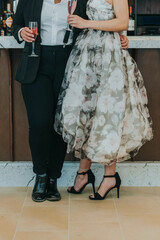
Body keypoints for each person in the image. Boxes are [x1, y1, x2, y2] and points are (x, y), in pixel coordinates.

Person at [11, 0, 129, 202]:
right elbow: (15, 25)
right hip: (35, 62)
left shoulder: (79, 0)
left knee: (61, 125)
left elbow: (100, 23)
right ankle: (40, 176)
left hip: (70, 64)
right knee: (39, 123)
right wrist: (21, 32)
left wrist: (122, 37)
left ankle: (53, 180)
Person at [54, 0, 153, 200]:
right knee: (87, 114)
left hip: (110, 58)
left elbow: (123, 22)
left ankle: (109, 176)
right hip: (88, 56)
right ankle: (84, 173)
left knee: (109, 114)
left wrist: (87, 23)